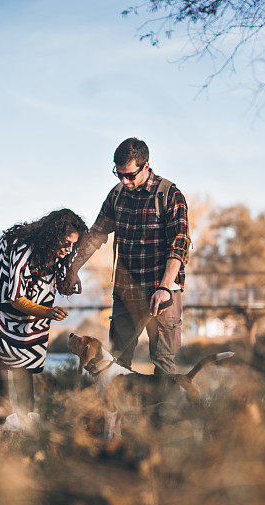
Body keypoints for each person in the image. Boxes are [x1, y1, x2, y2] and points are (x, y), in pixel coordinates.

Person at [66, 138, 190, 374]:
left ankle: (165, 412)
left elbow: (179, 246)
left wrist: (164, 288)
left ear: (146, 166)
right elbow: (96, 234)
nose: (124, 181)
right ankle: (120, 412)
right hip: (125, 294)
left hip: (161, 295)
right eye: (119, 174)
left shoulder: (169, 195)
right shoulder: (117, 195)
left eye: (130, 175)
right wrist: (74, 269)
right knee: (117, 363)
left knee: (163, 365)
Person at [0, 208, 88, 421]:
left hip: (11, 303)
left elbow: (41, 287)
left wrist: (68, 281)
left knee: (26, 352)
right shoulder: (22, 251)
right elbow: (15, 298)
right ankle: (4, 417)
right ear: (52, 237)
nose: (69, 249)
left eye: (74, 245)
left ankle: (25, 415)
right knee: (1, 352)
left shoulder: (53, 252)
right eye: (66, 243)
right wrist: (47, 312)